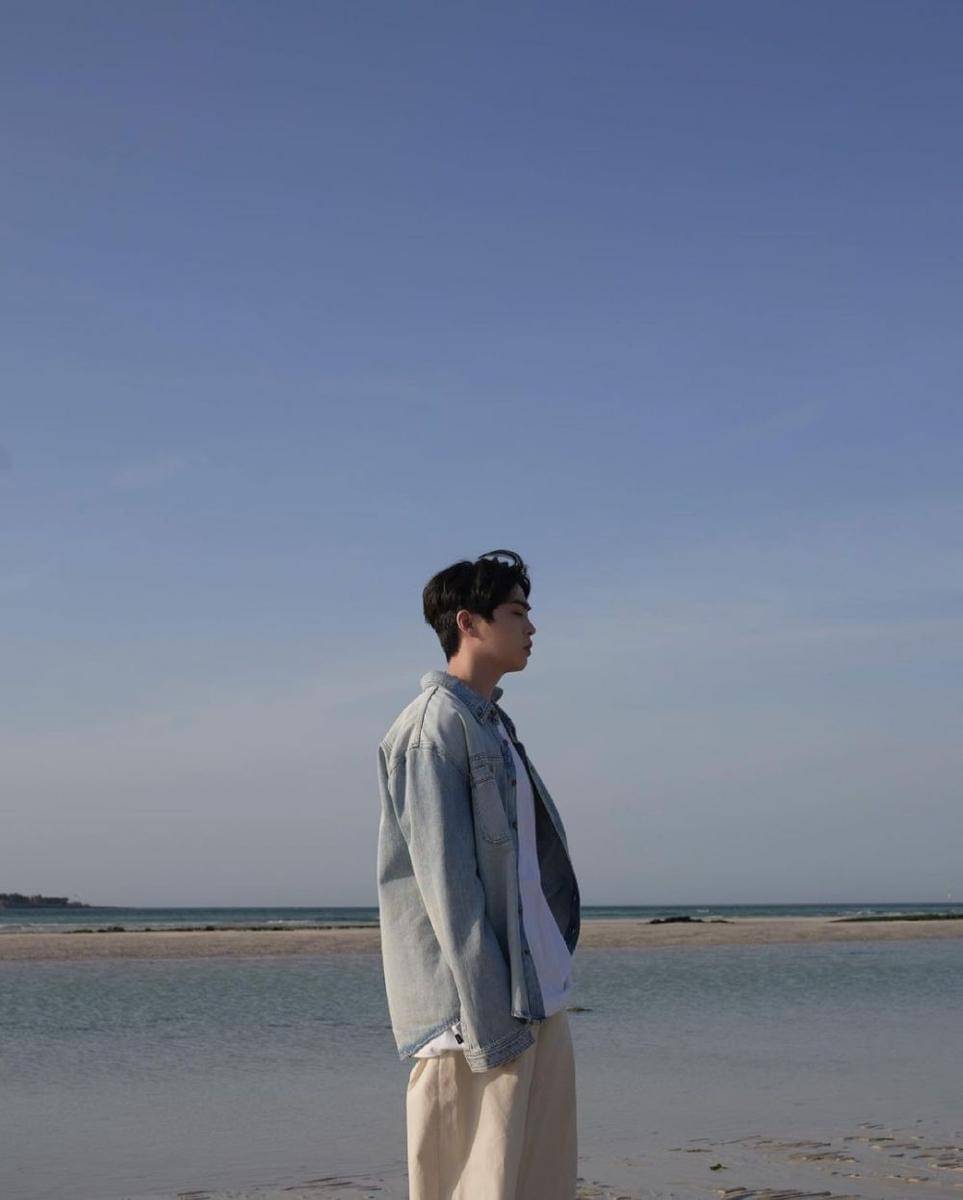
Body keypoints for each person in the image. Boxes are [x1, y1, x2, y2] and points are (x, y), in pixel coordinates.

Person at [376, 548, 581, 1199]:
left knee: (540, 1185)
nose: (531, 626)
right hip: (472, 1017)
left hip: (533, 996)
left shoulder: (493, 727)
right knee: (472, 1186)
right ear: (468, 622)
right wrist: (491, 1025)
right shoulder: (432, 730)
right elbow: (447, 891)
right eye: (517, 612)